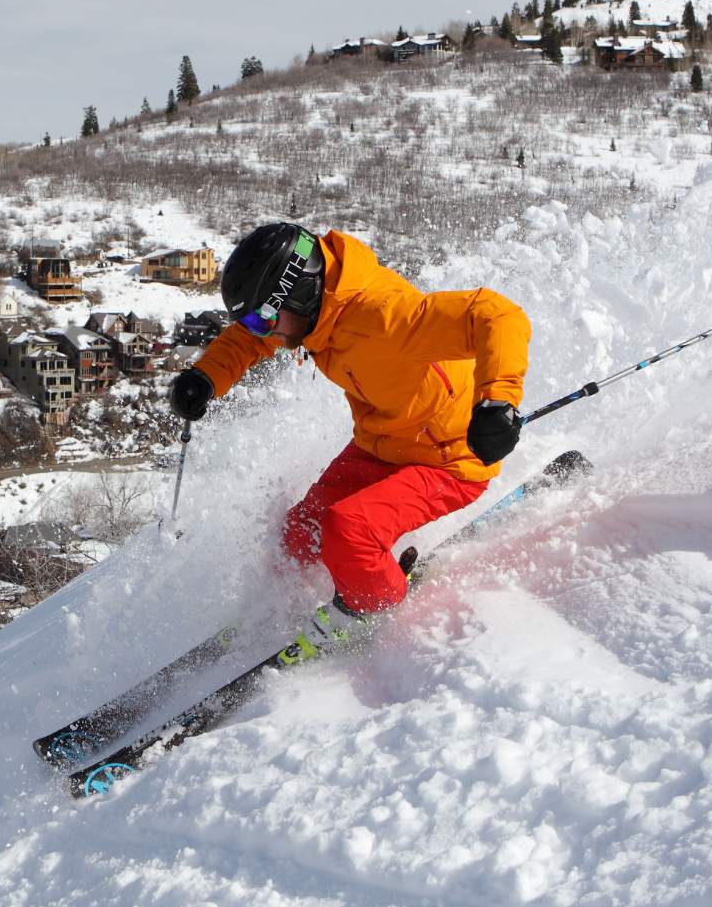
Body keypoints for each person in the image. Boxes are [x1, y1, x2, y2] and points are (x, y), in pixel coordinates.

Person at [169, 222, 530, 617]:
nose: (261, 330)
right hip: (384, 444)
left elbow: (498, 316)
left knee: (349, 531)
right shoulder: (315, 313)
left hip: (450, 457)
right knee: (299, 535)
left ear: (302, 292)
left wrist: (498, 403)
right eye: (256, 320)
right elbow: (249, 339)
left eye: (263, 319)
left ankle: (377, 607)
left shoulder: (384, 317)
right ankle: (307, 599)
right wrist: (205, 377)